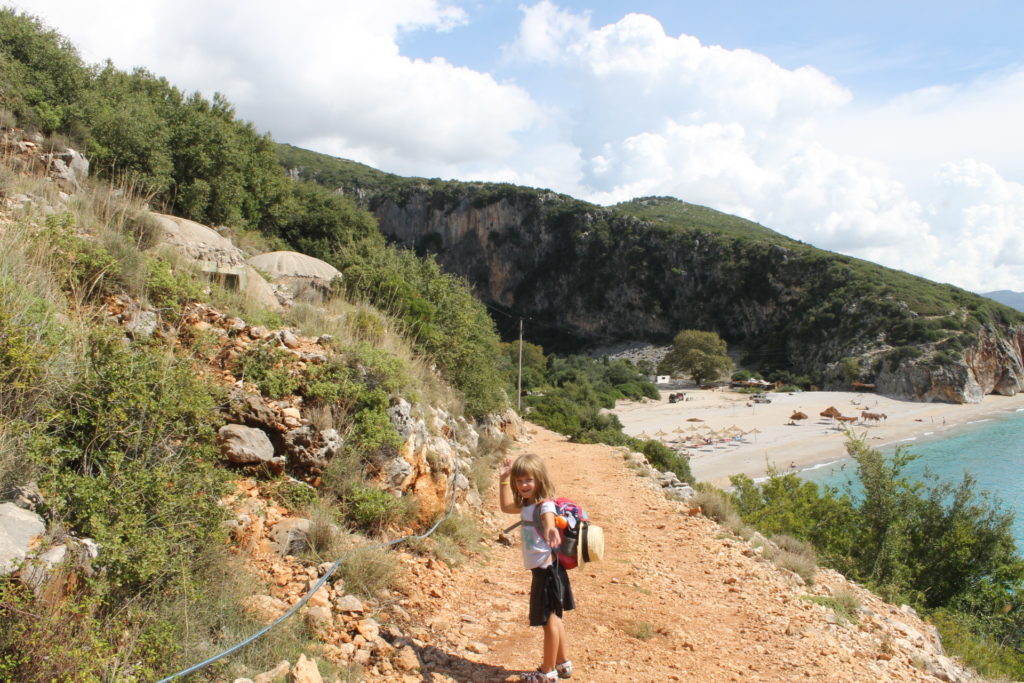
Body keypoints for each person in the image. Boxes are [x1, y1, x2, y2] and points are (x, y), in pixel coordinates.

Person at [499, 453, 575, 682]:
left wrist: (551, 529)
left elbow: (549, 517)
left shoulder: (544, 505)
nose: (523, 485)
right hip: (546, 570)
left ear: (539, 480)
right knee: (555, 617)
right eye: (519, 480)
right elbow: (505, 507)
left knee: (548, 620)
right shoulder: (527, 505)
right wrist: (503, 478)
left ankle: (547, 671)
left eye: (528, 480)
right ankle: (563, 663)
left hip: (547, 570)